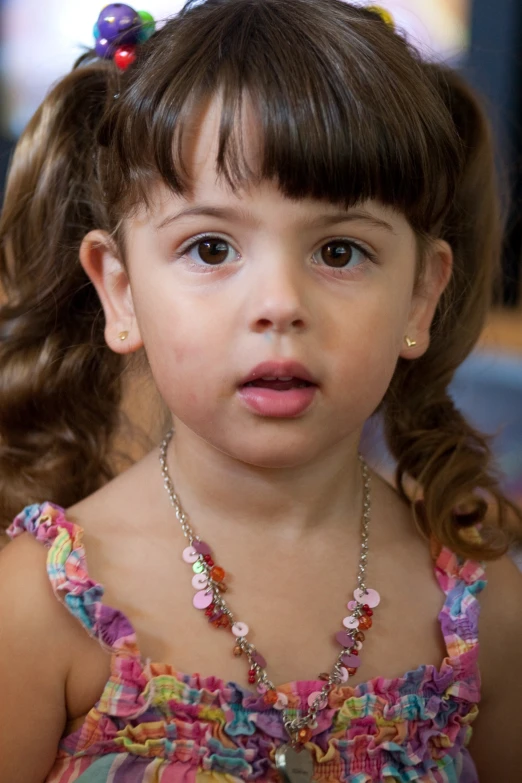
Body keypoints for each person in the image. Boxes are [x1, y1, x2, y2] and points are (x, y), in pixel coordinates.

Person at [0, 0, 521, 780]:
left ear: (421, 294)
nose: (280, 303)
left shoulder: (483, 611)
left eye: (340, 251)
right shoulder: (38, 606)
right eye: (211, 247)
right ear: (121, 291)